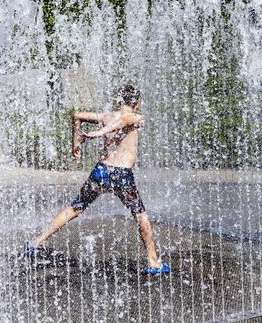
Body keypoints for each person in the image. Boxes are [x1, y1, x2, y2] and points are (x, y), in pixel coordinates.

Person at [26, 85, 170, 275]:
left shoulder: (106, 117)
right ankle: (153, 262)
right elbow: (126, 119)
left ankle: (36, 242)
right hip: (122, 176)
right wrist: (96, 134)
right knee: (140, 216)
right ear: (138, 104)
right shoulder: (137, 117)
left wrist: (76, 140)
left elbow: (77, 115)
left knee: (75, 207)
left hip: (101, 171)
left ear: (118, 101)